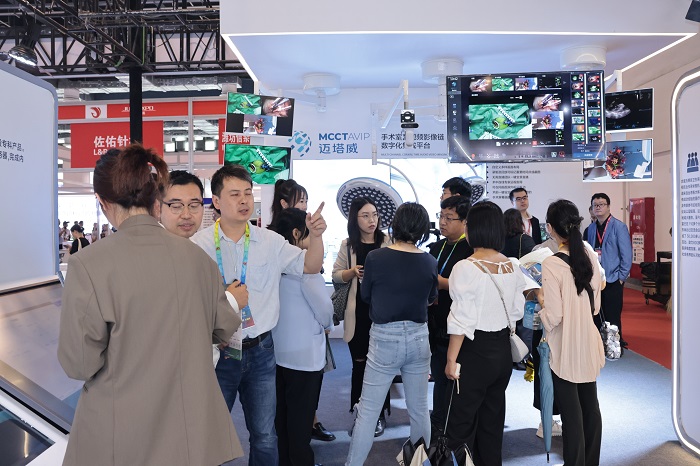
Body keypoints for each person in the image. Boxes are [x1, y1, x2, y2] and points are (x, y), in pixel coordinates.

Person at [57, 144, 243, 466]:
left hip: (119, 432)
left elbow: (79, 364)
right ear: (154, 198)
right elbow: (224, 326)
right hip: (189, 430)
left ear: (102, 201)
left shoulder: (88, 264)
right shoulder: (196, 258)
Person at [191, 164, 326, 466]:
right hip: (219, 351)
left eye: (248, 193)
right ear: (217, 201)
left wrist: (316, 236)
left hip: (261, 350)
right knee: (210, 435)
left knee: (265, 435)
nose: (244, 200)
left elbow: (310, 266)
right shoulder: (198, 246)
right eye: (234, 194)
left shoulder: (270, 241)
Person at [345, 202, 438, 466]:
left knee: (368, 412)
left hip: (385, 338)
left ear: (396, 224)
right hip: (419, 337)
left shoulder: (376, 258)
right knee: (419, 410)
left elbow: (366, 295)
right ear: (422, 229)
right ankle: (418, 463)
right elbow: (431, 298)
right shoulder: (429, 261)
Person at [445, 201, 526, 466]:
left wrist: (451, 360)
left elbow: (461, 320)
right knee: (492, 422)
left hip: (473, 352)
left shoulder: (466, 267)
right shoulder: (512, 266)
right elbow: (517, 311)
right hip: (502, 351)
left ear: (474, 229)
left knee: (461, 423)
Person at [537, 199, 605, 466]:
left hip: (564, 343)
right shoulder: (589, 253)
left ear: (550, 228)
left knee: (571, 413)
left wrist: (541, 302)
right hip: (587, 339)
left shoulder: (551, 264)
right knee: (590, 407)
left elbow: (554, 316)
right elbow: (595, 305)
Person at [268, 178, 335, 443]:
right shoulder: (306, 269)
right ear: (297, 234)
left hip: (276, 352)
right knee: (301, 418)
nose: (305, 207)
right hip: (305, 357)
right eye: (301, 201)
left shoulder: (272, 257)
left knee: (281, 416)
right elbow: (325, 312)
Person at [332, 197, 391, 437]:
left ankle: (378, 415)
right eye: (365, 216)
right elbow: (336, 275)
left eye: (374, 214)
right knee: (360, 366)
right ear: (355, 220)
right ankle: (360, 413)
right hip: (357, 316)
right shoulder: (348, 245)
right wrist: (352, 272)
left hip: (382, 315)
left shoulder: (387, 242)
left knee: (381, 368)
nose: (371, 220)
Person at [427, 195, 473, 434]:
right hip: (434, 322)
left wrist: (439, 282)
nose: (443, 222)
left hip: (457, 325)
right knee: (439, 375)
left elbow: (466, 286)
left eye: (449, 218)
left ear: (464, 222)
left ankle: (452, 427)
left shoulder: (471, 250)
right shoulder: (436, 247)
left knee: (454, 377)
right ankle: (438, 423)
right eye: (441, 216)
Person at [585, 193, 632, 348]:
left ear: (608, 207)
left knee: (613, 314)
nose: (598, 207)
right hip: (596, 279)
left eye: (601, 204)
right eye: (595, 205)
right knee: (597, 313)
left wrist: (621, 277)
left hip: (613, 278)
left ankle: (614, 346)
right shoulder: (591, 228)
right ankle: (599, 345)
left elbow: (626, 255)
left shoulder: (619, 227)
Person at [158, 170, 205, 238]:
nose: (186, 215)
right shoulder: (147, 243)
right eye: (176, 206)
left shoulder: (204, 243)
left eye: (194, 205)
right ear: (158, 208)